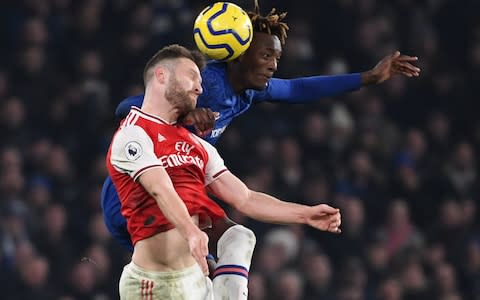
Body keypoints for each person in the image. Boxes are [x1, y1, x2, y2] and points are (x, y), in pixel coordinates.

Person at [101, 0, 420, 297]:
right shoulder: (208, 83)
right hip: (136, 191)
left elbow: (298, 88)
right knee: (198, 264)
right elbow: (129, 106)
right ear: (238, 54)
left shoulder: (248, 93)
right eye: (266, 56)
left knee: (235, 243)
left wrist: (368, 77)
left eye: (276, 58)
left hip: (182, 190)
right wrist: (185, 114)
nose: (273, 65)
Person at [107, 44, 342, 299]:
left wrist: (305, 214)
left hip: (196, 283)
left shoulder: (196, 144)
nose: (200, 87)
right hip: (154, 285)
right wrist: (191, 231)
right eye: (192, 76)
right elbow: (159, 187)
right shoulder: (133, 132)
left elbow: (246, 198)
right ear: (162, 75)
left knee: (240, 236)